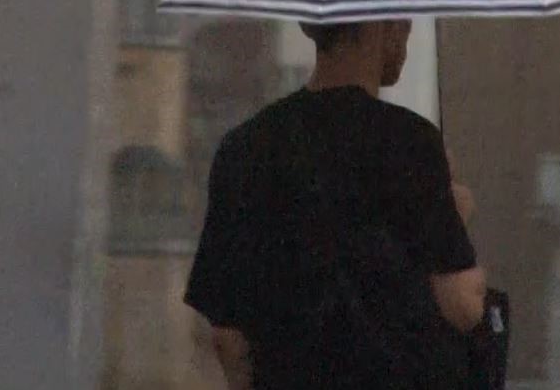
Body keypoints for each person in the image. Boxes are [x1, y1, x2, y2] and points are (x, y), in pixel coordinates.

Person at [184, 20, 487, 390]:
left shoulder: (245, 149)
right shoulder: (410, 144)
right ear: (380, 27)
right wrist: (457, 215)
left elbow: (227, 336)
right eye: (404, 19)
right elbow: (462, 305)